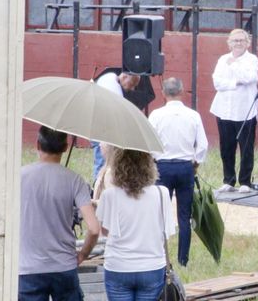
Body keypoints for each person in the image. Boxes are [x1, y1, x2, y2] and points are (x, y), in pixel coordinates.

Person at [19, 126, 100, 301]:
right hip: (64, 265)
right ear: (65, 147)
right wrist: (83, 254)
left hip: (27, 267)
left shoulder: (19, 177)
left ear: (38, 144)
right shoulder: (75, 180)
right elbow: (94, 229)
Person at [96, 149, 176, 301]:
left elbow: (105, 231)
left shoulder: (109, 196)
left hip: (118, 265)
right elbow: (167, 233)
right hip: (151, 265)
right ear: (149, 166)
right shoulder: (162, 193)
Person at [148, 77, 208, 267]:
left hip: (162, 166)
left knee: (158, 214)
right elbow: (203, 145)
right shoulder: (193, 115)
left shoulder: (156, 115)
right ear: (182, 91)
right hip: (184, 167)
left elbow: (149, 143)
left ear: (163, 93)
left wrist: (152, 160)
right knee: (184, 215)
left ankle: (159, 256)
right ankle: (183, 259)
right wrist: (196, 162)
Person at [209, 29, 258, 193]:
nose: (238, 44)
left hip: (245, 110)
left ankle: (245, 181)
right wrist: (234, 83)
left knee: (246, 147)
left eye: (241, 40)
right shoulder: (223, 59)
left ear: (247, 43)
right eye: (235, 40)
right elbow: (217, 82)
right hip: (224, 108)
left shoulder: (251, 59)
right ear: (229, 42)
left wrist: (234, 65)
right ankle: (228, 180)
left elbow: (248, 78)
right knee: (226, 146)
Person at [93, 71, 141, 181]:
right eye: (132, 84)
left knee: (101, 161)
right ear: (124, 77)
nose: (132, 89)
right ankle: (98, 187)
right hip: (104, 132)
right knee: (102, 162)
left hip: (98, 128)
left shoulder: (109, 77)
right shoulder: (115, 91)